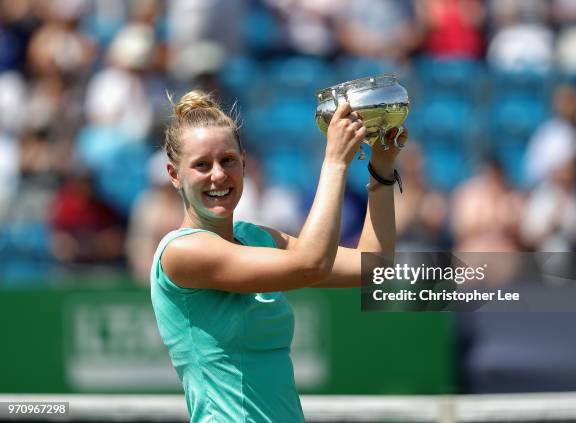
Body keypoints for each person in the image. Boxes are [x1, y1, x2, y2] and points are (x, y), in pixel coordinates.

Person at [150, 90, 404, 422]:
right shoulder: (181, 251)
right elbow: (311, 264)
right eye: (201, 165)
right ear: (174, 175)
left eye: (227, 160)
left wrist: (381, 171)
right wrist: (335, 162)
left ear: (243, 161)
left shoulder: (256, 238)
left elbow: (374, 265)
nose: (218, 174)